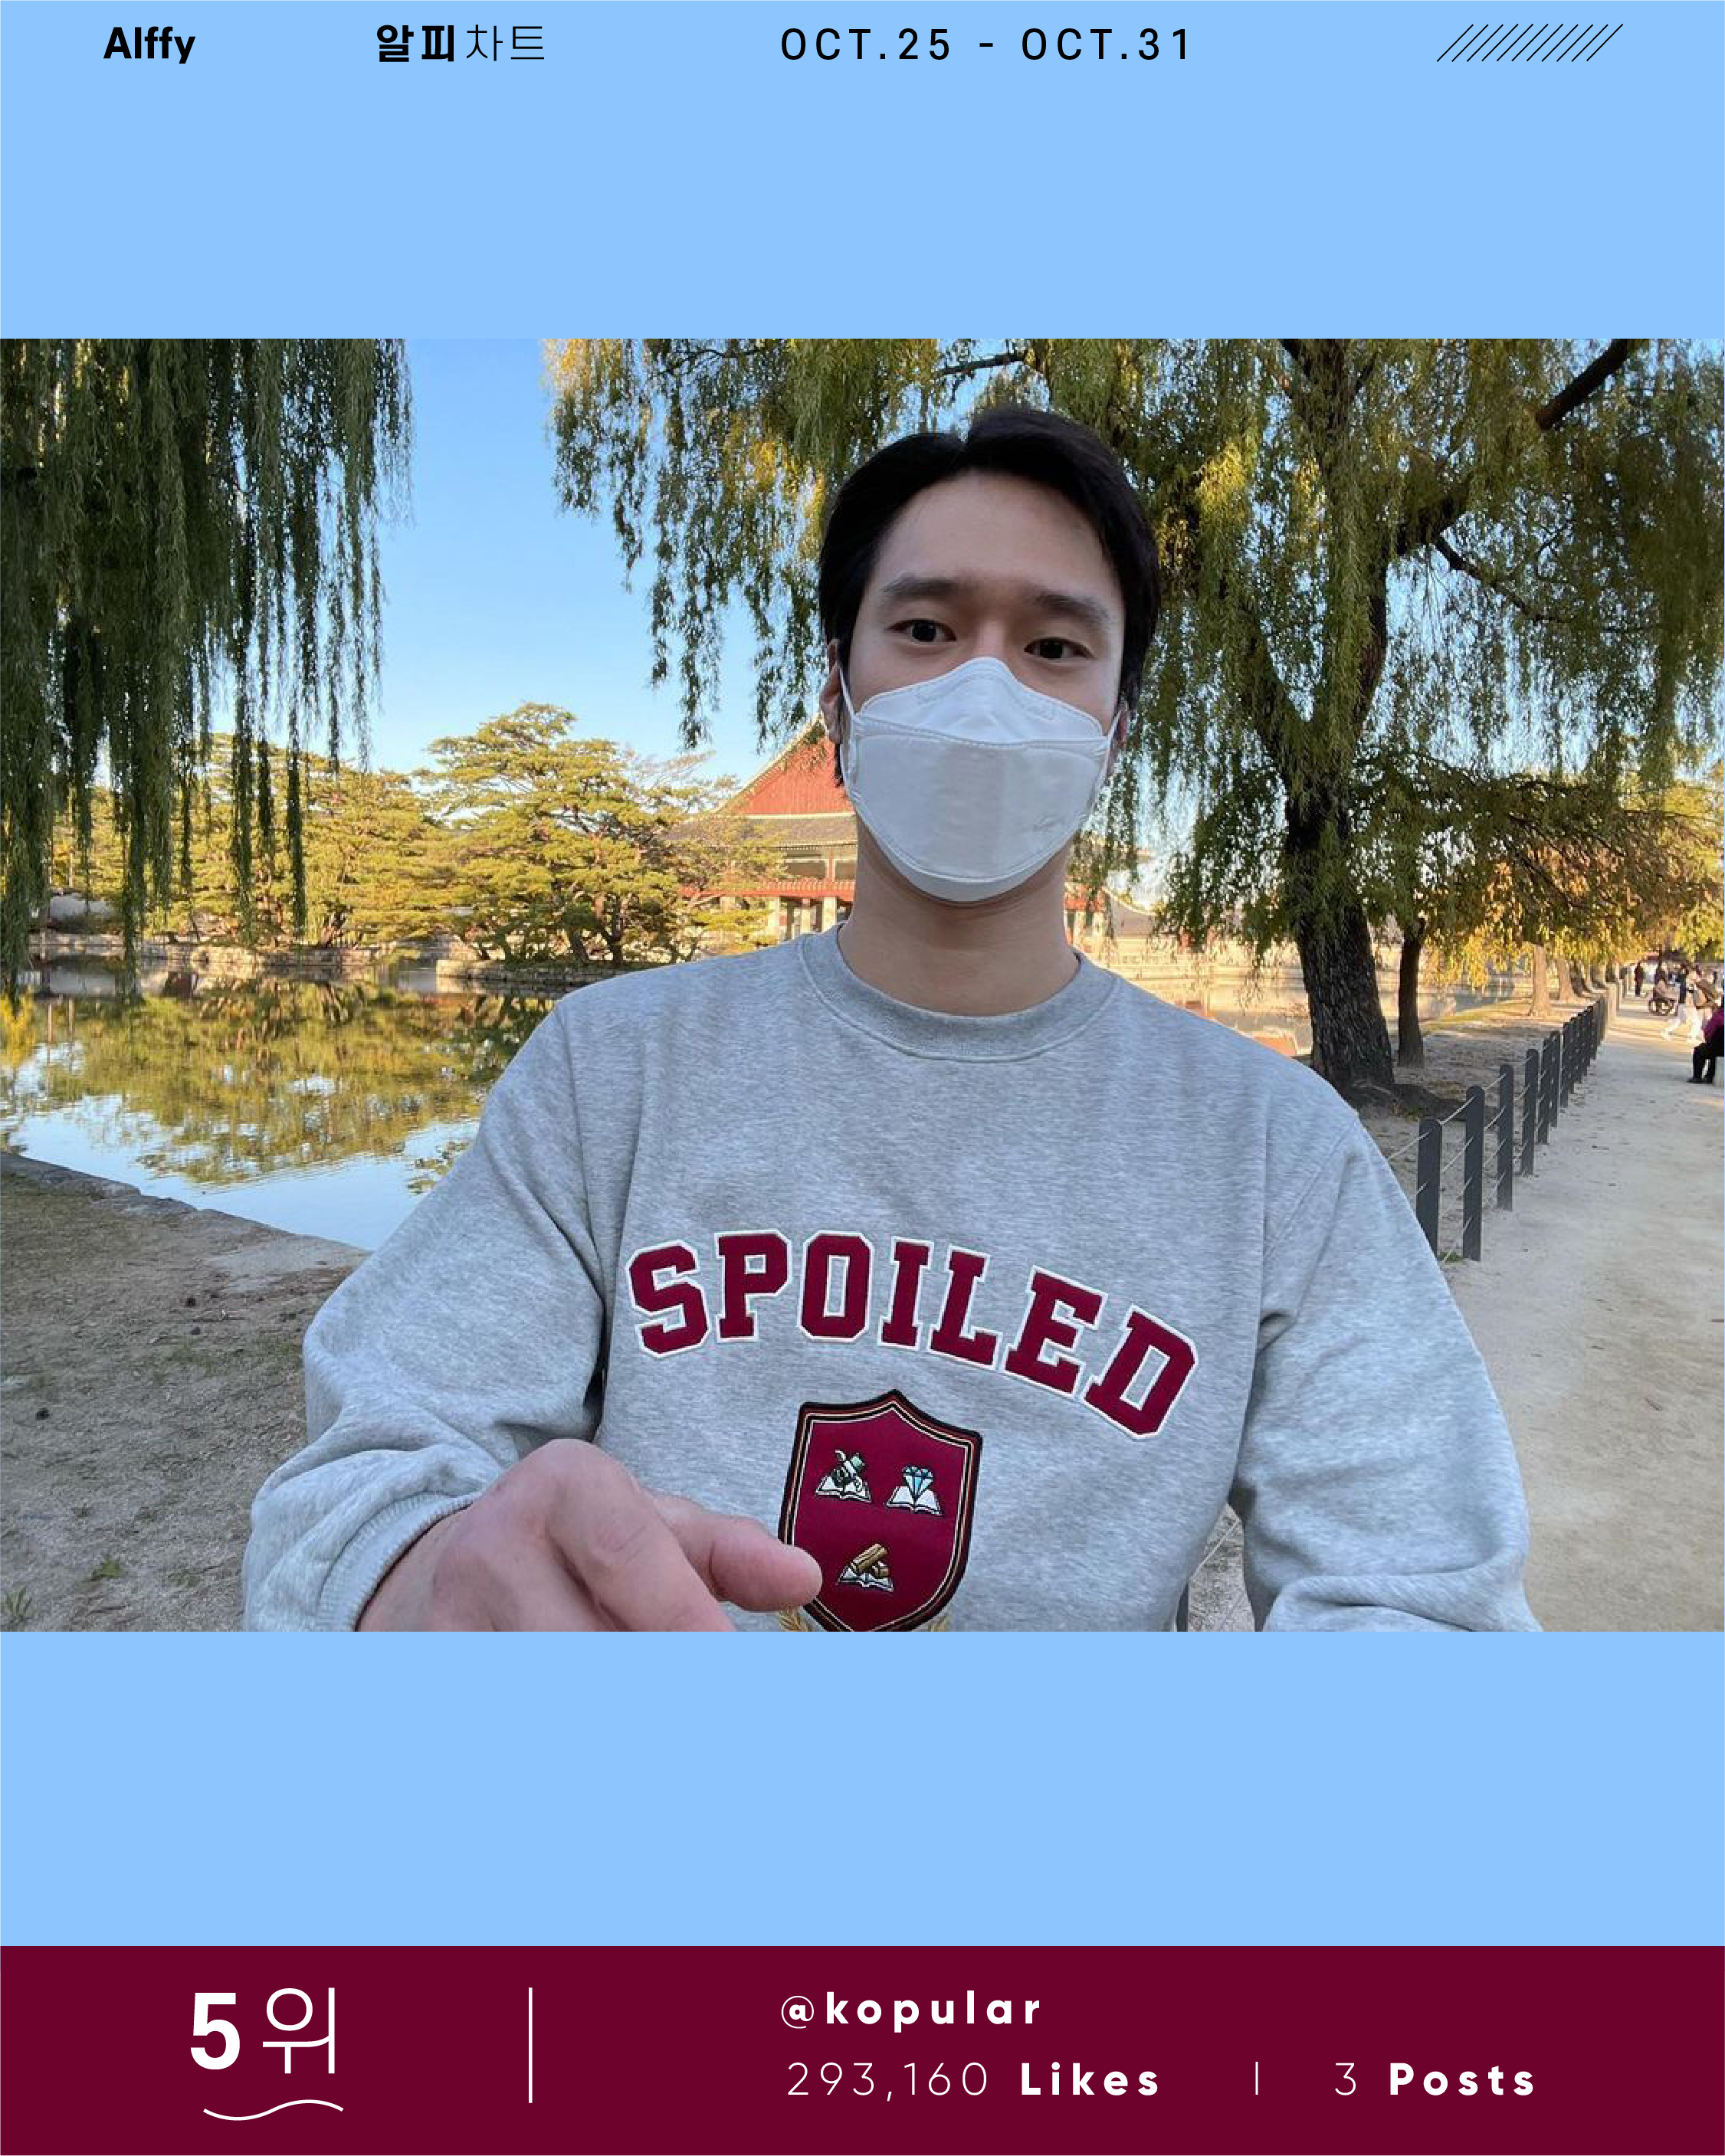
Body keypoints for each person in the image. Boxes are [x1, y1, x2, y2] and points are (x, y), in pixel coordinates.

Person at [241, 404, 1538, 1635]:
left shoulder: (1274, 1149)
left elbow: (1418, 1581)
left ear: (1114, 731)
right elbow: (365, 1470)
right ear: (837, 695)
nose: (984, 686)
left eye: (1054, 648)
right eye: (924, 628)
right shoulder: (612, 1072)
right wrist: (422, 1574)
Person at [1691, 1004, 1722, 1084]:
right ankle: (1709, 1075)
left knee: (1700, 1050)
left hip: (1716, 1048)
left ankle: (1697, 1077)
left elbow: (1708, 1033)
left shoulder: (1718, 1016)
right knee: (1714, 1051)